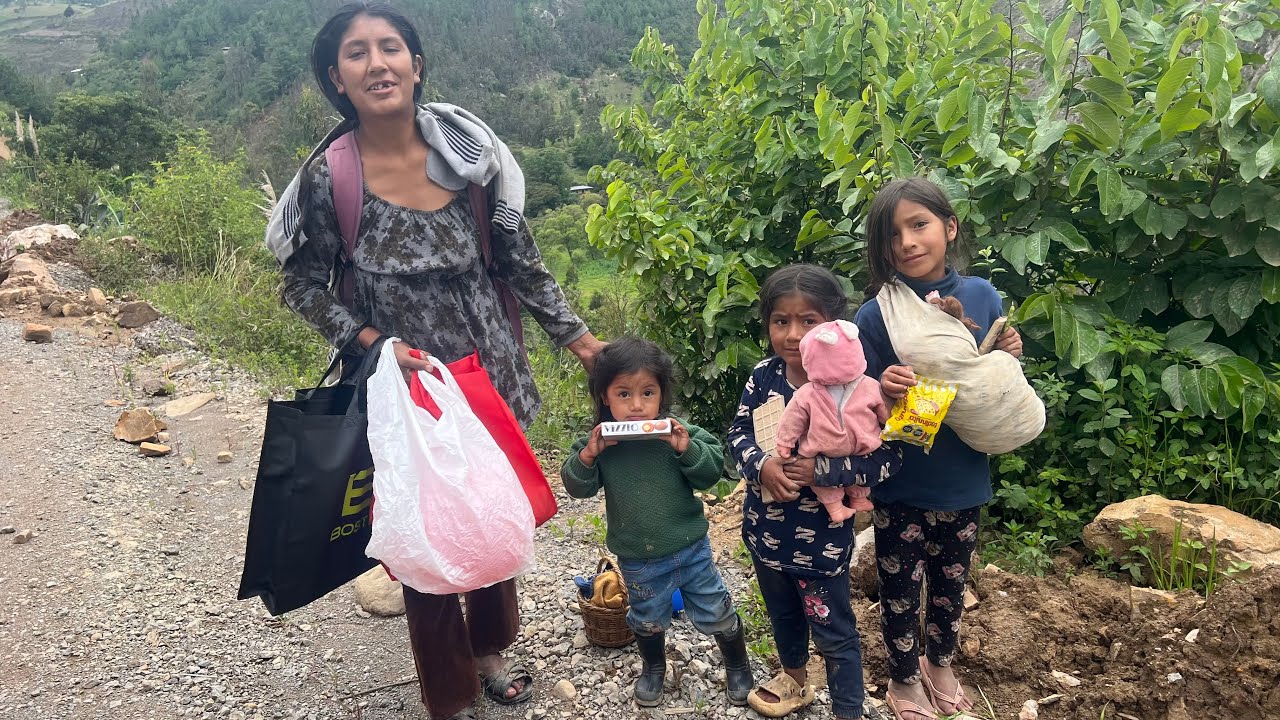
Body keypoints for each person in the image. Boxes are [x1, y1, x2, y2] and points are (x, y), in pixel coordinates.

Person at [271, 4, 604, 719]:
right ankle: (447, 690)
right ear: (337, 78)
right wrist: (374, 346)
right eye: (357, 54)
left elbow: (521, 260)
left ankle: (489, 650)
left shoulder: (473, 158)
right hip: (405, 389)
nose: (377, 63)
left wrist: (581, 342)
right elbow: (300, 285)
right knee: (421, 539)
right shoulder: (331, 179)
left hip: (488, 378)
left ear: (417, 65)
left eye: (391, 48)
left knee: (490, 512)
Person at [854, 177, 1023, 720]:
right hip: (902, 477)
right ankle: (903, 679)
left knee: (951, 581)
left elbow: (992, 375)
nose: (907, 241)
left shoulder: (980, 296)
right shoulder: (876, 315)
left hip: (963, 474)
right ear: (882, 249)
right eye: (892, 234)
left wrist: (1011, 351)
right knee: (899, 586)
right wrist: (884, 385)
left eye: (919, 224)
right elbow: (859, 396)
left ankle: (939, 665)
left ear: (949, 228)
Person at [728, 265, 901, 720]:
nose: (792, 334)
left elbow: (888, 459)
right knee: (784, 616)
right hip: (765, 534)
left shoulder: (861, 389)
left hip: (822, 544)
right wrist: (762, 466)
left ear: (834, 327)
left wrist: (822, 468)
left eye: (809, 321)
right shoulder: (763, 377)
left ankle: (848, 708)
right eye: (781, 320)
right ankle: (795, 681)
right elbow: (737, 434)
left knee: (834, 630)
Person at [560, 337, 753, 708]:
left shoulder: (677, 433)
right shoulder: (602, 443)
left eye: (647, 393)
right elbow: (576, 487)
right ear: (604, 396)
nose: (636, 406)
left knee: (716, 608)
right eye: (623, 394)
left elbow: (711, 473)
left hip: (691, 549)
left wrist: (685, 448)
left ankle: (737, 664)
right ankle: (653, 667)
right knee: (647, 617)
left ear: (661, 394)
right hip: (638, 557)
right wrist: (588, 455)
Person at [773, 318, 894, 521]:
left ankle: (858, 499)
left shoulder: (868, 385)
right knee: (824, 485)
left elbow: (882, 409)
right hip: (821, 453)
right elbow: (792, 419)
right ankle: (835, 508)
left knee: (859, 482)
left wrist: (890, 423)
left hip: (862, 449)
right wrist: (785, 441)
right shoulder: (808, 394)